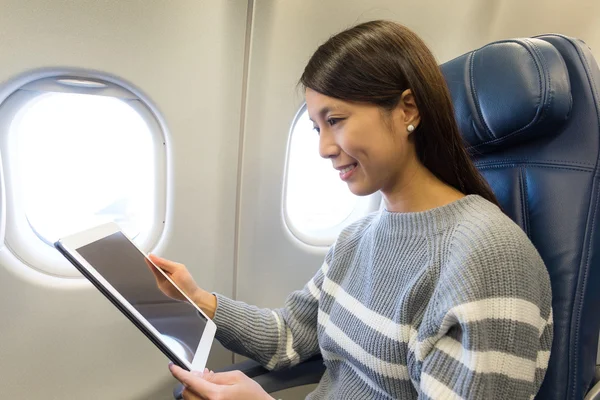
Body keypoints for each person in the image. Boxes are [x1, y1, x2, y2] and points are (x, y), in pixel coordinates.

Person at [153, 19, 553, 400]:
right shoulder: (357, 238)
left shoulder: (490, 259)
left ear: (407, 110)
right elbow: (291, 335)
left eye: (337, 120)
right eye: (316, 127)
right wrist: (197, 298)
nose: (324, 148)